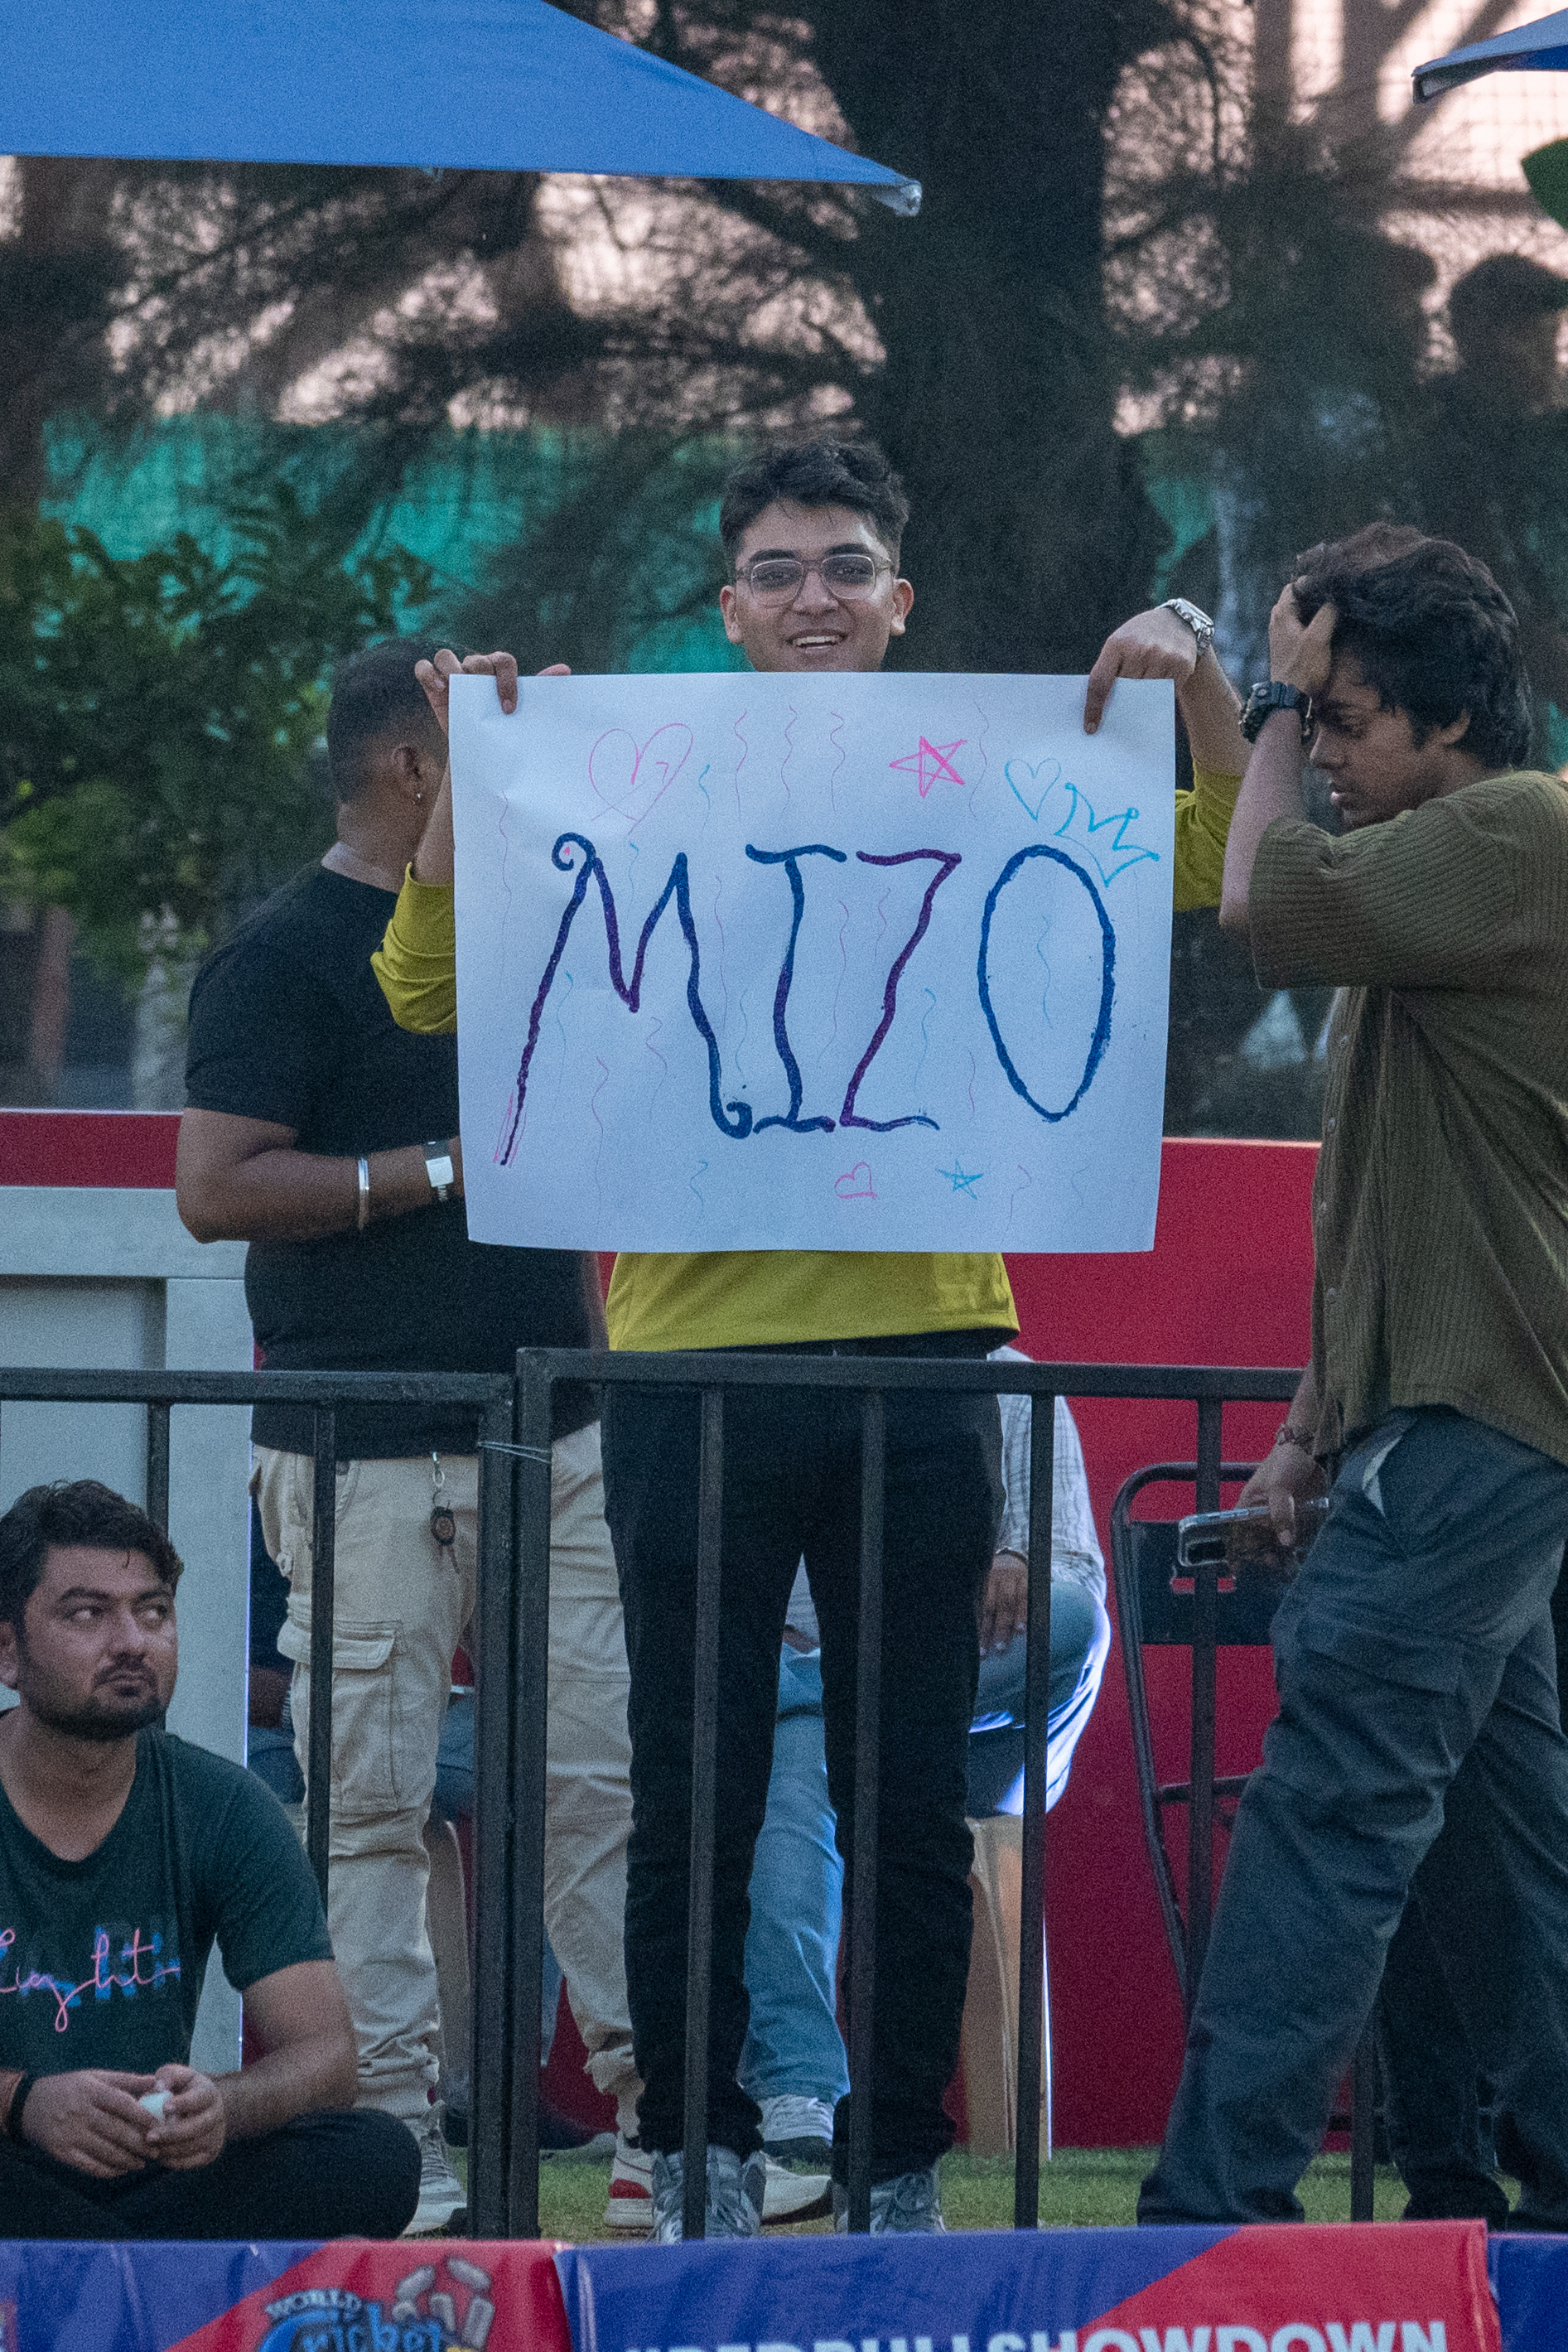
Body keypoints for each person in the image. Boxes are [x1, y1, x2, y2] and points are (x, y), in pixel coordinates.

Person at [372, 437, 1251, 2238]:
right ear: (727, 607)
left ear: (898, 598)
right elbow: (424, 983)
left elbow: (1220, 863)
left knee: (905, 1794)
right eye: (775, 570)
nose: (811, 596)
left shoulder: (999, 763)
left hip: (924, 1356)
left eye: (844, 565)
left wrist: (1206, 686)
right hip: (686, 1367)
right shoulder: (623, 773)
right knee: (690, 1783)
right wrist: (476, 770)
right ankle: (696, 2150)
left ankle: (896, 2164)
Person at [177, 638, 642, 2234]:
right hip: (367, 1441)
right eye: (491, 748)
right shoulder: (280, 955)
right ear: (414, 766)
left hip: (560, 1430)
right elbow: (215, 1184)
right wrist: (449, 1165)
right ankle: (400, 2164)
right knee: (368, 1809)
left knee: (602, 1785)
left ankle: (657, 2140)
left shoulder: (530, 936)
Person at [1139, 525, 1568, 2228]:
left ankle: (1208, 2218)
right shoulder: (1440, 877)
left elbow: (1257, 894)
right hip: (1457, 1422)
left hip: (1479, 1426)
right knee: (1512, 1847)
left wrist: (1255, 686)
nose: (1312, 747)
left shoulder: (1513, 829)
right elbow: (1387, 1200)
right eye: (1309, 720)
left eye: (1340, 715)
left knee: (1323, 1810)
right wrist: (1308, 1433)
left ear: (1448, 717)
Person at [0, 1478, 417, 2240]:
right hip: (12, 2160)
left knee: (376, 2156)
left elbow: (326, 2054)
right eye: (88, 1613)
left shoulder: (222, 1804)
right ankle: (144, 2275)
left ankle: (91, 2271)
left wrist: (222, 2106)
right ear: (7, 1650)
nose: (132, 1641)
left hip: (151, 2169)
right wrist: (25, 2102)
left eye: (153, 1611)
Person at [740, 1349, 1108, 2171]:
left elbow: (1074, 1574)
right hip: (841, 1725)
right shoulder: (794, 1375)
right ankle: (800, 2086)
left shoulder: (1006, 1375)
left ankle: (818, 1688)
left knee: (1069, 1619)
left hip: (985, 1720)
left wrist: (1017, 1560)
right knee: (798, 1767)